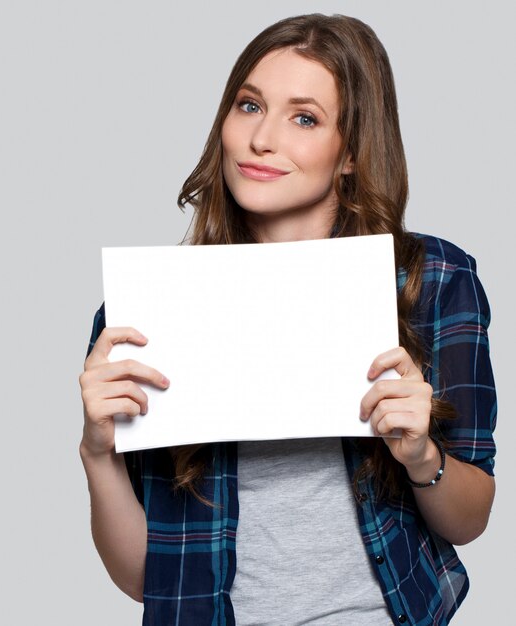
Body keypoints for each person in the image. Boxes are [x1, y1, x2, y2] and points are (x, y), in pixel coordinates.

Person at [78, 14, 497, 625]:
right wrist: (98, 455)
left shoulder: (429, 281)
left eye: (304, 118)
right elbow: (146, 581)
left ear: (351, 151)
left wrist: (419, 455)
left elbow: (471, 519)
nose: (261, 139)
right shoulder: (146, 312)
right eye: (249, 106)